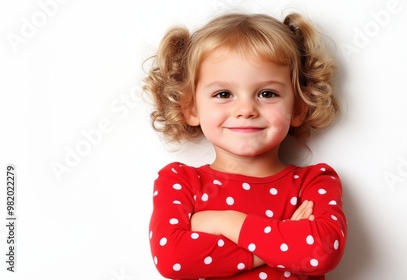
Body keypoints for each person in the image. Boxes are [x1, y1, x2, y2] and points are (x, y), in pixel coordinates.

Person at [144, 11, 346, 280]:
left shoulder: (314, 182)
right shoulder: (180, 181)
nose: (246, 109)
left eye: (267, 93)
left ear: (298, 108)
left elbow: (321, 251)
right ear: (191, 108)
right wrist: (282, 236)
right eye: (223, 94)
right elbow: (173, 259)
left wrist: (223, 222)